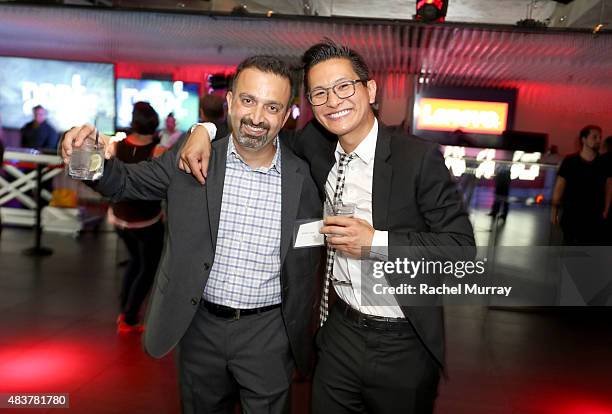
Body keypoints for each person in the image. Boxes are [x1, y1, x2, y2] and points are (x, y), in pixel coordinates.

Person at [181, 40, 475, 414]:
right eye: (320, 93)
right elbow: (255, 127)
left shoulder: (417, 158)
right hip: (339, 334)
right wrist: (203, 128)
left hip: (405, 341)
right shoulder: (315, 147)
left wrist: (376, 243)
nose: (333, 101)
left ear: (369, 90)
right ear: (310, 107)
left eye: (343, 87)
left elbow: (461, 250)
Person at [61, 55, 322, 414]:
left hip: (269, 332)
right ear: (230, 102)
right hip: (201, 326)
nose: (258, 117)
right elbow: (123, 181)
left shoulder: (306, 177)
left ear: (287, 114)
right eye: (248, 100)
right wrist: (83, 153)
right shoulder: (192, 159)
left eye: (272, 107)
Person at [111, 102, 165, 333]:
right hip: (146, 222)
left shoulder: (116, 146)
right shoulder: (157, 151)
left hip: (120, 219)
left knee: (135, 261)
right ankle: (129, 317)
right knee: (149, 268)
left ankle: (125, 312)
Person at [551, 125, 607, 245]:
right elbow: (560, 185)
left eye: (600, 137)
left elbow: (608, 186)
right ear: (584, 139)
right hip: (572, 214)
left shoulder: (603, 163)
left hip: (594, 216)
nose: (598, 140)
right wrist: (554, 210)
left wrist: (606, 210)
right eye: (594, 137)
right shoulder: (570, 161)